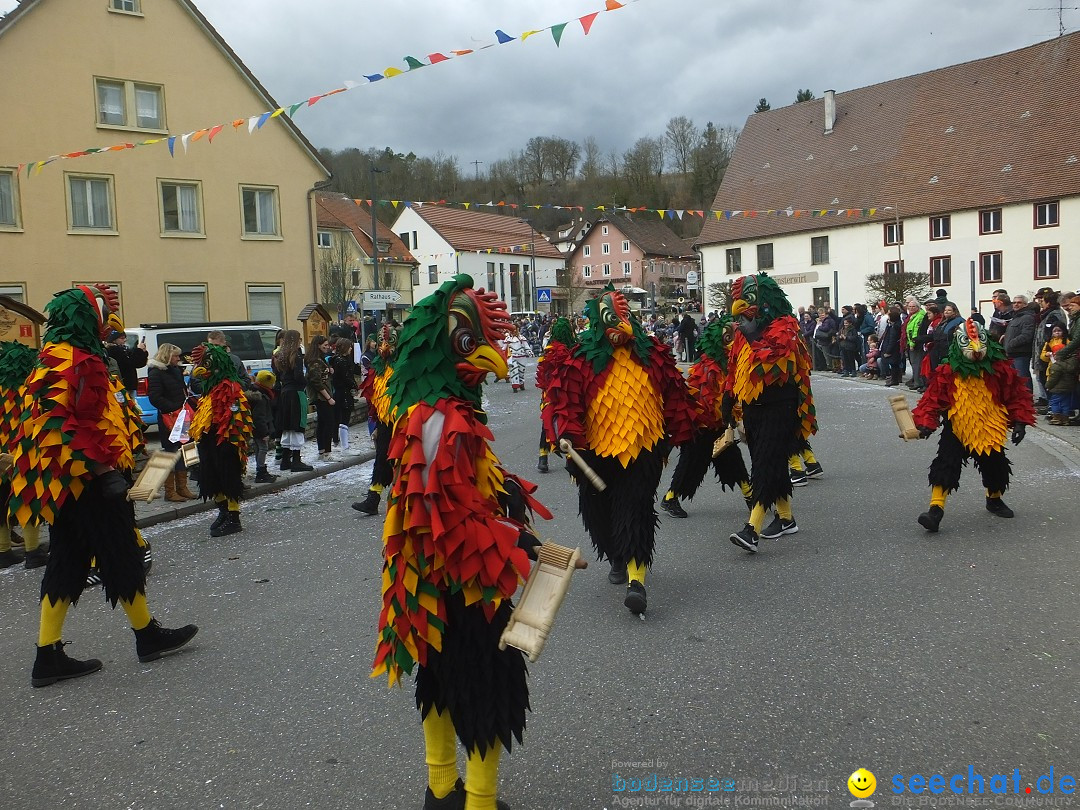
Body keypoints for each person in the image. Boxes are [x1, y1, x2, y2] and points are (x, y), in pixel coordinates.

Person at [372, 275, 569, 810]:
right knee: (488, 685)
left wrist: (503, 493)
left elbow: (451, 490)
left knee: (437, 678)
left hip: (421, 583)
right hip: (458, 582)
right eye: (467, 344)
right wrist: (515, 543)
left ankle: (440, 789)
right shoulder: (442, 420)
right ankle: (478, 801)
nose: (490, 357)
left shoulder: (427, 413)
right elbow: (445, 516)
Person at [10, 285, 197, 687]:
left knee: (67, 560)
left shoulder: (57, 357)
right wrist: (100, 470)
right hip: (89, 482)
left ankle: (48, 654)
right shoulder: (77, 361)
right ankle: (146, 636)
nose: (109, 320)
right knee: (120, 553)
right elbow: (54, 423)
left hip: (69, 482)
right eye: (102, 312)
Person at [545, 284, 695, 616]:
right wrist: (570, 446)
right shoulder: (581, 360)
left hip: (644, 449)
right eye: (613, 319)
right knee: (595, 508)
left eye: (625, 318)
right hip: (596, 452)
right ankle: (616, 554)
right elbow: (564, 406)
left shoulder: (652, 353)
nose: (621, 327)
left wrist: (672, 437)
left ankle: (636, 579)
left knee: (636, 508)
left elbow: (675, 395)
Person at [912, 318, 1035, 532]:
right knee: (945, 463)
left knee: (995, 465)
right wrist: (926, 424)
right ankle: (935, 510)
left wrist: (1020, 423)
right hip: (958, 427)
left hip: (989, 427)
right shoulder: (948, 371)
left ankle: (994, 499)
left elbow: (1016, 396)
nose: (976, 351)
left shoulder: (999, 369)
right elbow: (931, 400)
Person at [724, 273, 816, 552]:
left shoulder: (785, 326)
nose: (740, 306)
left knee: (765, 465)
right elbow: (734, 368)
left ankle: (752, 528)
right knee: (768, 463)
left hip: (781, 406)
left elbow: (776, 361)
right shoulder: (741, 333)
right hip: (753, 409)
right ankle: (786, 518)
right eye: (738, 300)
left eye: (748, 300)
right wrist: (728, 400)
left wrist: (754, 336)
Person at [659, 315, 752, 518]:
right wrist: (726, 419)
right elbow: (705, 399)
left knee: (732, 461)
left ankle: (750, 495)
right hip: (702, 427)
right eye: (729, 338)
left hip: (716, 426)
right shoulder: (709, 368)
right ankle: (670, 498)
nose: (734, 343)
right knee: (692, 463)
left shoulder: (726, 366)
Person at [189, 341, 254, 537]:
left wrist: (230, 442)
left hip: (225, 443)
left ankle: (234, 518)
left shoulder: (231, 389)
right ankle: (223, 512)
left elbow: (239, 417)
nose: (200, 370)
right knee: (210, 478)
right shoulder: (208, 391)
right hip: (208, 442)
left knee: (228, 478)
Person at [0, 340, 49, 570]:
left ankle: (3, 551)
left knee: (0, 499)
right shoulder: (29, 390)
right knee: (28, 497)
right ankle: (32, 552)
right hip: (22, 452)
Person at [352, 325, 396, 515]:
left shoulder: (403, 366)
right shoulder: (377, 369)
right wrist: (376, 423)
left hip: (403, 422)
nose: (384, 346)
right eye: (381, 342)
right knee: (381, 459)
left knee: (404, 460)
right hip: (385, 422)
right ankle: (373, 499)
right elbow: (375, 399)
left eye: (389, 342)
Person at [146, 342, 197, 502]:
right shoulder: (156, 372)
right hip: (169, 417)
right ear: (167, 356)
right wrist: (172, 408)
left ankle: (182, 487)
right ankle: (170, 491)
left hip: (182, 415)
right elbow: (154, 397)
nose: (178, 358)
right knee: (170, 451)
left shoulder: (175, 370)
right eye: (175, 355)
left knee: (183, 449)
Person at [273, 330, 314, 473]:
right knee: (297, 425)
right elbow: (298, 376)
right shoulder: (296, 355)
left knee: (287, 425)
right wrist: (307, 380)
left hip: (285, 393)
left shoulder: (280, 355)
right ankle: (296, 460)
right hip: (296, 392)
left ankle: (285, 460)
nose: (300, 342)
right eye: (299, 339)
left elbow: (278, 375)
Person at [305, 335, 336, 460]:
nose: (327, 347)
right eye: (325, 345)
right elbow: (316, 381)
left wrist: (329, 370)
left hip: (323, 395)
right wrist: (328, 397)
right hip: (321, 396)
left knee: (322, 423)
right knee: (329, 422)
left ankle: (322, 451)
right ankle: (326, 452)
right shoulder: (315, 361)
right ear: (318, 345)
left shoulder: (319, 359)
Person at [249, 370, 278, 483]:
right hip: (260, 429)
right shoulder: (261, 398)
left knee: (258, 448)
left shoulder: (255, 393)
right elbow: (259, 417)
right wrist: (264, 432)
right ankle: (261, 472)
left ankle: (260, 470)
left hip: (255, 428)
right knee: (263, 448)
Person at [1003, 295, 1037, 393]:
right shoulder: (1015, 317)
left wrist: (1011, 343)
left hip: (1021, 354)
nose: (1016, 304)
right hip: (1012, 353)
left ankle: (1028, 399)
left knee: (1023, 378)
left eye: (1019, 302)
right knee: (1017, 380)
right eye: (1014, 302)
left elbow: (1027, 335)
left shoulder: (1027, 317)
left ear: (1025, 304)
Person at [104, 329, 148, 395]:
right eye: (122, 338)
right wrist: (139, 350)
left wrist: (143, 352)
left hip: (129, 385)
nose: (124, 340)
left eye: (125, 338)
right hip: (122, 385)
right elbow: (129, 363)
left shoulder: (124, 349)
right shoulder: (113, 351)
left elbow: (138, 363)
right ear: (114, 340)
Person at [904, 300, 927, 390]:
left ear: (918, 307)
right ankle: (916, 380)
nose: (911, 308)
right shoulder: (912, 316)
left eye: (913, 306)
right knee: (914, 363)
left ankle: (918, 382)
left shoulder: (919, 316)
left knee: (916, 364)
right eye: (909, 306)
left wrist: (913, 343)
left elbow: (915, 332)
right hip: (911, 342)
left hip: (916, 343)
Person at [879, 306, 903, 387]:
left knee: (894, 364)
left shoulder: (895, 327)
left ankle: (895, 379)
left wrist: (888, 351)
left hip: (894, 349)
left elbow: (892, 340)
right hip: (894, 348)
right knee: (894, 364)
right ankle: (894, 378)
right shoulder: (893, 325)